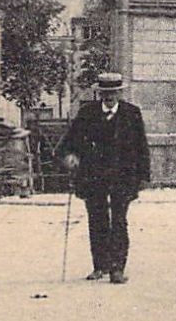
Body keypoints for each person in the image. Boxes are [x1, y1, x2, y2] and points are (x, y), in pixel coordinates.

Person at [56, 72, 150, 284]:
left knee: (119, 221)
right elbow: (68, 143)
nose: (109, 97)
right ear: (99, 93)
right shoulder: (87, 112)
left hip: (123, 177)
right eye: (105, 93)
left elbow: (141, 147)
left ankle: (117, 268)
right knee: (97, 219)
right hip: (93, 176)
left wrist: (143, 176)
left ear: (119, 93)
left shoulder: (131, 114)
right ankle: (100, 266)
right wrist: (70, 156)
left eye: (113, 92)